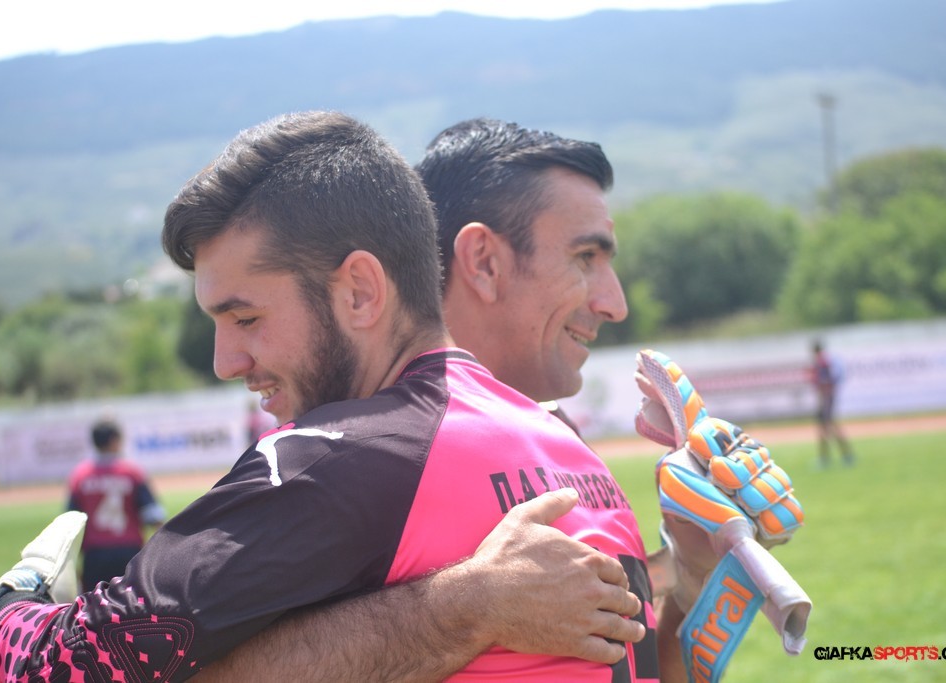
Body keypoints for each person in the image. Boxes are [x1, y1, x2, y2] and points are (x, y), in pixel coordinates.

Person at [0, 111, 649, 682]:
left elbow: (69, 665)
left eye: (246, 318)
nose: (225, 362)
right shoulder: (572, 452)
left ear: (360, 291)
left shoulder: (342, 455)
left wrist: (12, 605)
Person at [197, 118, 690, 681]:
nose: (614, 303)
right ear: (482, 261)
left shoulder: (565, 445)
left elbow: (625, 661)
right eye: (585, 257)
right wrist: (463, 607)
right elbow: (146, 656)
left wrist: (694, 576)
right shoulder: (351, 462)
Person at [66, 417, 166, 589]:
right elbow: (153, 515)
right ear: (114, 440)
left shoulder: (80, 475)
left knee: (93, 603)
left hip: (94, 555)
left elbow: (70, 523)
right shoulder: (131, 472)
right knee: (132, 603)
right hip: (129, 551)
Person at [810, 339, 855, 466]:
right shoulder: (826, 361)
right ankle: (839, 456)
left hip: (826, 398)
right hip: (826, 398)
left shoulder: (822, 363)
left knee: (828, 428)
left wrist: (823, 393)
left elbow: (825, 381)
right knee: (827, 428)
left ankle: (837, 456)